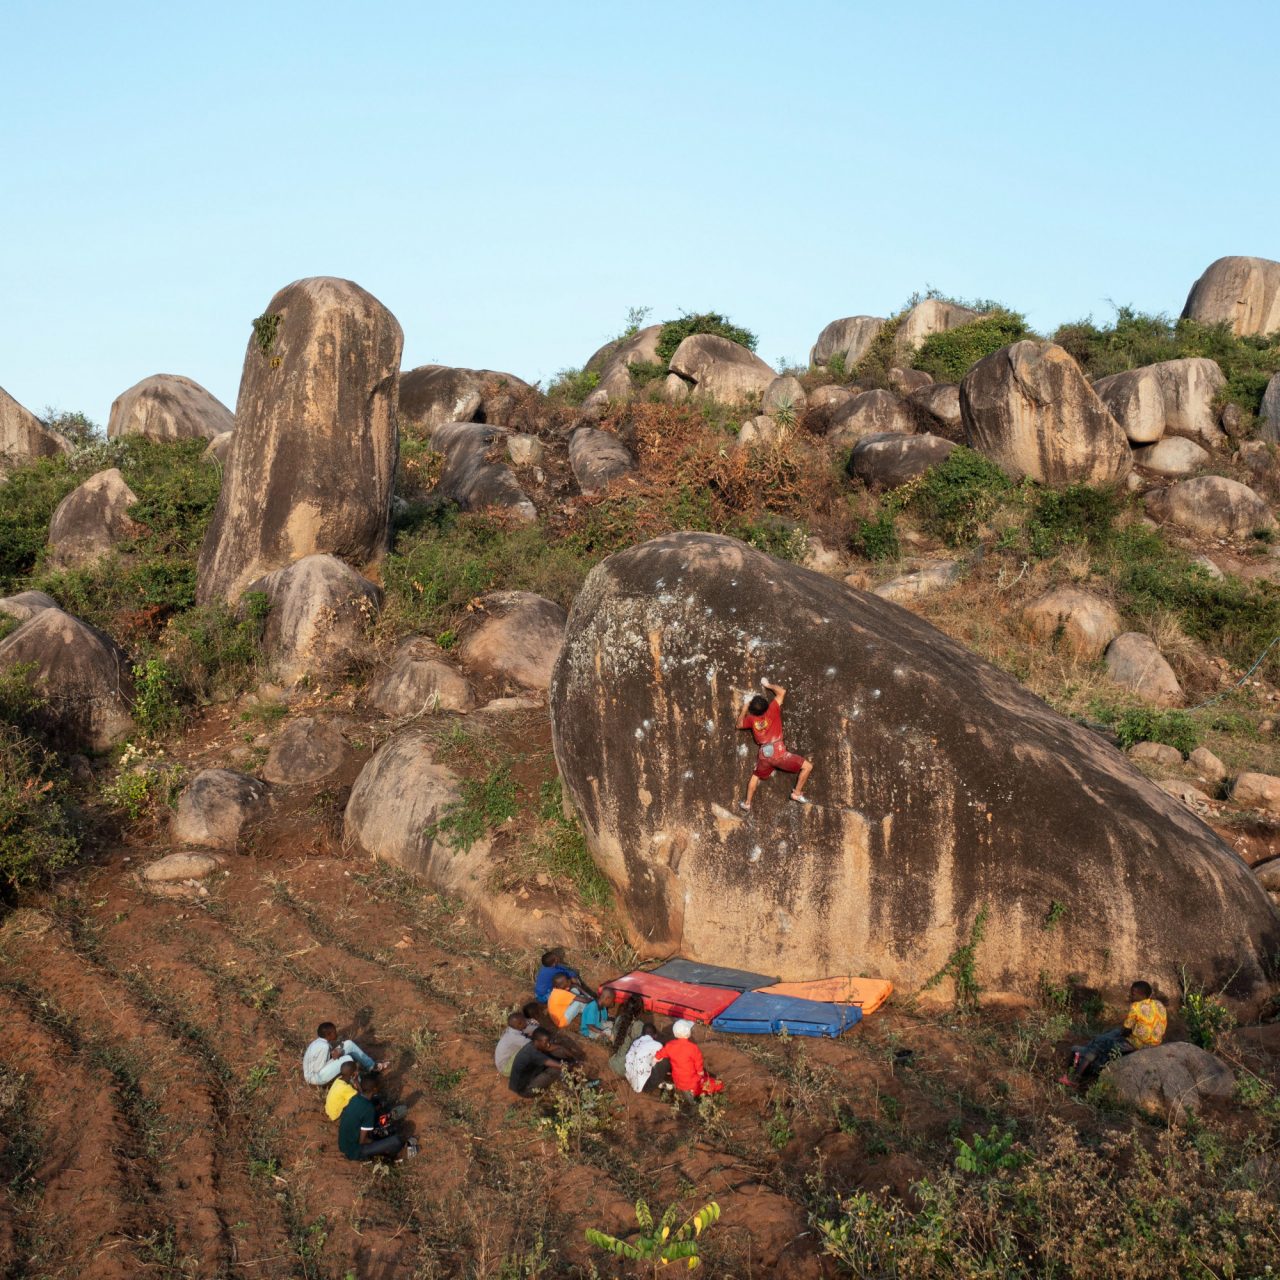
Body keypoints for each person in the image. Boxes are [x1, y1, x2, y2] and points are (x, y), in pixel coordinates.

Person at [1061, 981, 1168, 1087]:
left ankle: (1075, 1078)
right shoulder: (1158, 1004)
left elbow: (1125, 1030)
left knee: (1098, 1044)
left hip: (1137, 1044)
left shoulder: (1136, 1006)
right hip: (1154, 1044)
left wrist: (1121, 1035)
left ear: (1142, 995)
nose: (1130, 995)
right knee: (1113, 1034)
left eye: (1133, 994)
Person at [738, 678, 813, 811]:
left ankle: (747, 803)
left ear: (752, 711)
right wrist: (767, 685)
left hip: (764, 755)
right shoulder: (772, 709)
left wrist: (744, 708)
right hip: (779, 753)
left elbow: (739, 725)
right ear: (766, 705)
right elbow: (782, 692)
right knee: (807, 767)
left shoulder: (751, 719)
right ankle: (796, 793)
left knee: (755, 776)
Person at [338, 1076, 417, 1162]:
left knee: (379, 1126)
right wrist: (379, 1141)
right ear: (374, 1089)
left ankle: (383, 1133)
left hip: (343, 1144)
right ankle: (398, 1154)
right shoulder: (369, 1109)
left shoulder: (355, 1098)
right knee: (396, 1141)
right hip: (355, 1151)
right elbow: (362, 1141)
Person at [302, 1021, 388, 1087]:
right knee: (347, 1059)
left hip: (317, 1072)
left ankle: (371, 1066)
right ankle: (361, 1085)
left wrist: (333, 1055)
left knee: (348, 1044)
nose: (336, 1033)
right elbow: (318, 1069)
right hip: (315, 1078)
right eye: (334, 1032)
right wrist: (336, 1058)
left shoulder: (319, 1042)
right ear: (328, 1035)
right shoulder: (324, 1047)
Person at [654, 1020, 723, 1097]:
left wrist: (655, 1059)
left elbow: (658, 1055)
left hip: (678, 1082)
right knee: (719, 1084)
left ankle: (679, 1089)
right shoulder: (693, 1048)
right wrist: (700, 1073)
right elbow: (699, 1064)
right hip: (693, 1083)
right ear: (688, 1033)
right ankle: (695, 1092)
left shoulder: (670, 1045)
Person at [547, 973, 612, 1041]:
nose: (569, 980)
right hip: (561, 1021)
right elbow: (583, 1000)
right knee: (579, 1002)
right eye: (567, 981)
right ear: (561, 984)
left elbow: (575, 987)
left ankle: (591, 1010)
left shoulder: (556, 989)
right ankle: (593, 1016)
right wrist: (595, 1002)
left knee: (575, 991)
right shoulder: (561, 994)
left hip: (560, 1013)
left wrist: (590, 997)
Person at [509, 1027, 571, 1098]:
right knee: (558, 1069)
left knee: (556, 1054)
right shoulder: (533, 1053)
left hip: (524, 1080)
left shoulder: (532, 1045)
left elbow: (557, 1047)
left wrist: (574, 1058)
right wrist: (574, 1065)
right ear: (537, 1041)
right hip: (525, 1090)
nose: (548, 1044)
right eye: (545, 1042)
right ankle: (568, 1093)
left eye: (548, 1041)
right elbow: (562, 1066)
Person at [624, 1024, 674, 1094]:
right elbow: (660, 1057)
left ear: (642, 1034)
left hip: (630, 1078)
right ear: (655, 1035)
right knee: (665, 1061)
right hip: (643, 1086)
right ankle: (656, 1085)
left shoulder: (636, 1042)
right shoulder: (657, 1045)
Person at [606, 995, 647, 1076]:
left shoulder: (619, 1019)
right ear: (639, 1010)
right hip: (626, 1070)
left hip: (613, 1062)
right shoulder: (639, 1026)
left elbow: (612, 1039)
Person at [495, 1011, 538, 1078]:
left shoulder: (512, 1029)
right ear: (519, 1024)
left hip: (503, 1063)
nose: (526, 1021)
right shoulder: (516, 1038)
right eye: (525, 1020)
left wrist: (538, 1030)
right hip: (506, 1069)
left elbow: (529, 1029)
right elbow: (535, 1045)